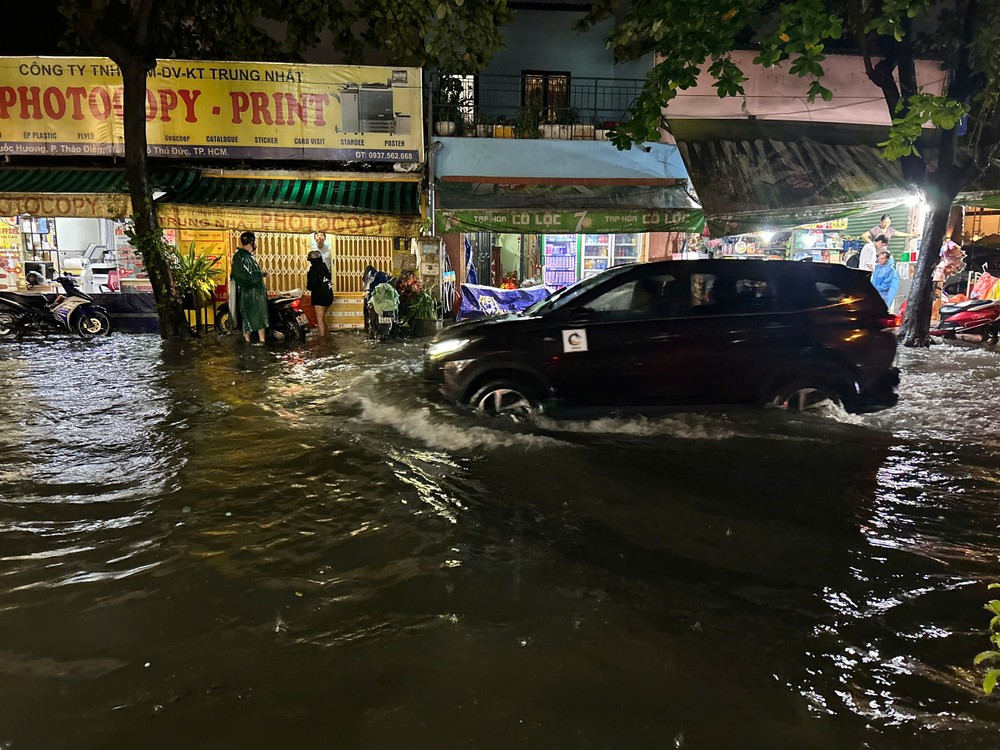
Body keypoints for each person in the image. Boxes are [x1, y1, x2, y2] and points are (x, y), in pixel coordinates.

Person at [230, 231, 269, 345]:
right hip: (248, 293)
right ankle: (248, 341)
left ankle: (261, 340)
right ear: (251, 242)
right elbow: (244, 276)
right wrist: (259, 274)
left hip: (255, 292)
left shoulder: (247, 257)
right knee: (250, 315)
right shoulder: (240, 257)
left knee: (258, 315)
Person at [306, 249, 333, 336]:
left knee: (320, 319)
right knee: (323, 318)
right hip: (329, 295)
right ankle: (327, 335)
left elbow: (311, 285)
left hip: (320, 296)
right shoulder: (324, 267)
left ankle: (322, 339)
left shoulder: (313, 270)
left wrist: (308, 287)